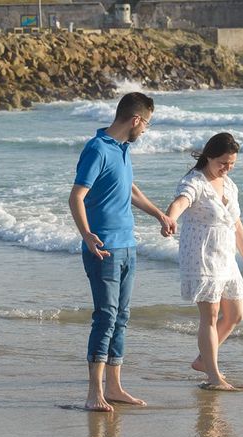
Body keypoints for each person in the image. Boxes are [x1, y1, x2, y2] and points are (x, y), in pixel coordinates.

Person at [69, 92, 176, 412]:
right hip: (103, 248)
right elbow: (76, 196)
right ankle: (93, 393)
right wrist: (87, 235)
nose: (145, 130)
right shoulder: (97, 149)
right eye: (147, 124)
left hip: (128, 245)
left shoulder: (123, 149)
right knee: (105, 317)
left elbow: (129, 189)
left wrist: (159, 214)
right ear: (136, 120)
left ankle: (114, 387)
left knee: (122, 317)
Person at [164, 132, 243, 391]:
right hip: (202, 255)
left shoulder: (229, 185)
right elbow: (180, 202)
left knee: (236, 314)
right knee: (211, 315)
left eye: (232, 164)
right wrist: (170, 218)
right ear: (208, 156)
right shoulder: (195, 181)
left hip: (226, 256)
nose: (227, 168)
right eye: (223, 163)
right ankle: (213, 376)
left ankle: (202, 360)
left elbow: (236, 223)